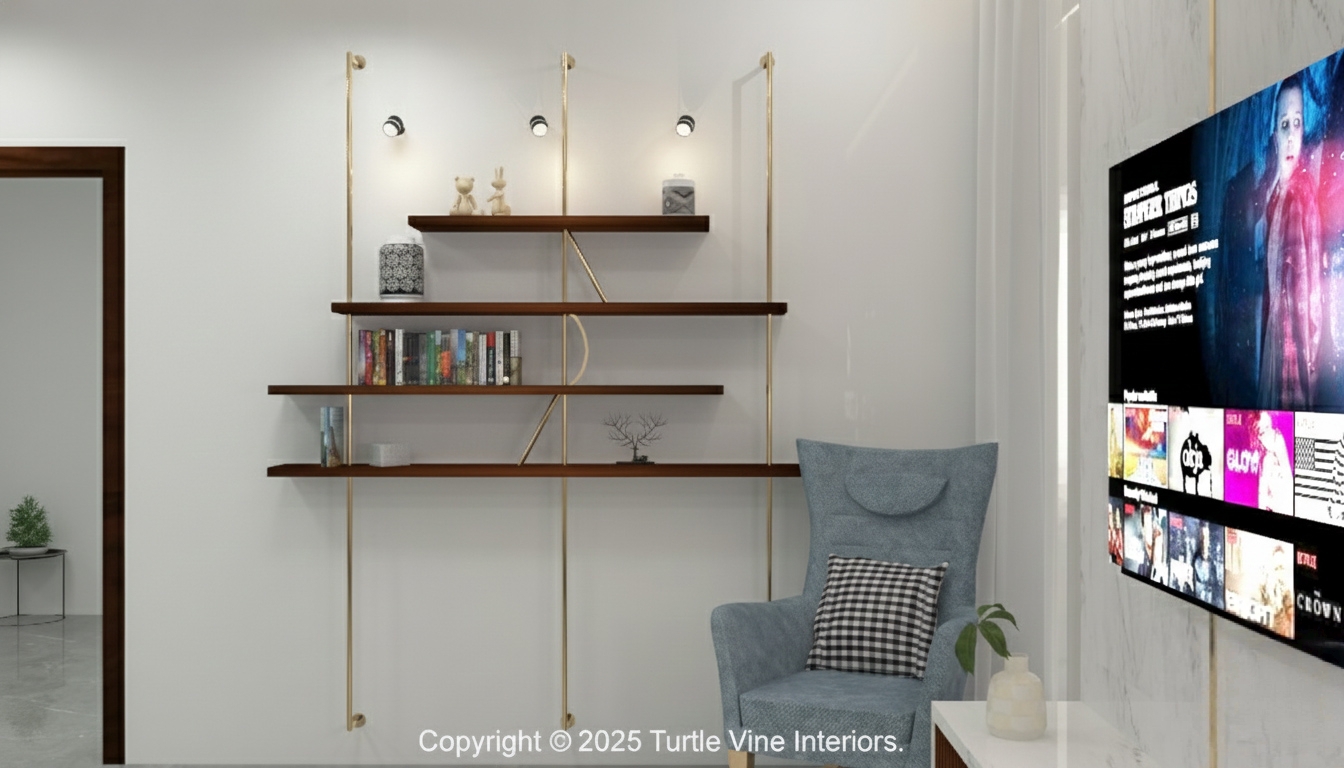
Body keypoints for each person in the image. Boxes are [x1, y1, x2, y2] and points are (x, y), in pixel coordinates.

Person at [1259, 73, 1326, 409]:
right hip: (1274, 352)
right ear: (1274, 135)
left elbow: (1310, 306)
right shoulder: (1276, 199)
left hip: (1292, 367)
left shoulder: (1301, 198)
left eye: (1297, 124)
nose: (1289, 136)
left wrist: (1307, 368)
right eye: (1284, 124)